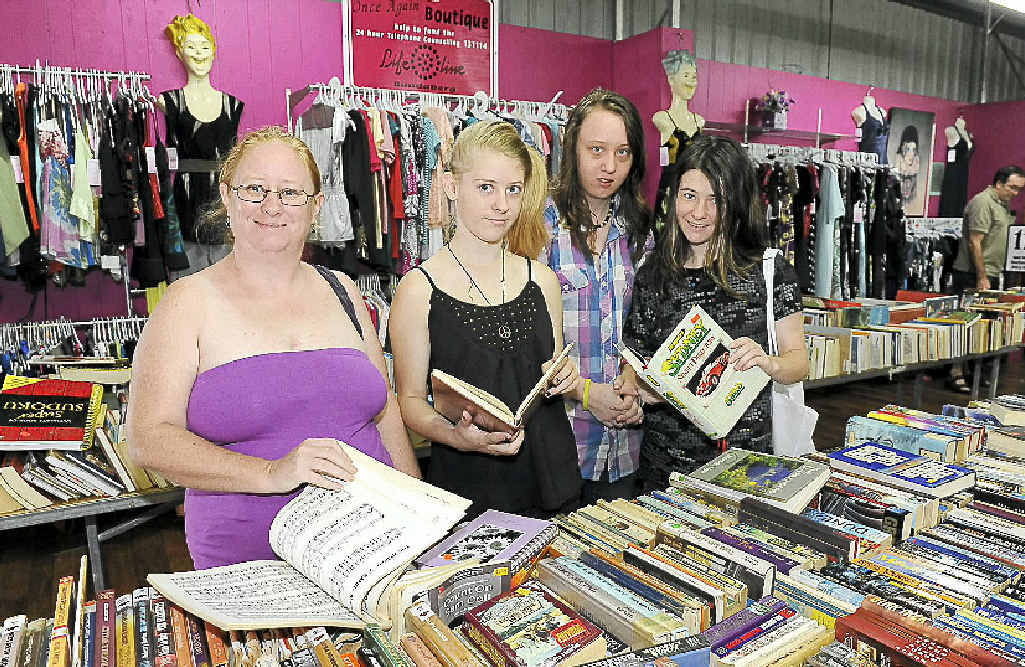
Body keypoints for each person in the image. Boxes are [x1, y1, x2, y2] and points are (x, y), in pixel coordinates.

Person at [126, 127, 420, 570]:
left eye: (289, 192)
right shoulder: (188, 303)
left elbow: (386, 414)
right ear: (227, 196)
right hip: (252, 564)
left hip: (371, 548)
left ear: (316, 206)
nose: (271, 206)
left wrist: (417, 509)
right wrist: (270, 473)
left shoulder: (342, 290)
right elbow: (149, 440)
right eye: (254, 189)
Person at [391, 120, 582, 519]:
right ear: (450, 186)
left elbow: (550, 371)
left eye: (513, 189)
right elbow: (408, 401)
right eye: (486, 188)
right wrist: (456, 438)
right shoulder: (418, 291)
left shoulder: (542, 281)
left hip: (553, 482)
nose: (502, 205)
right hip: (469, 492)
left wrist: (566, 377)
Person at [621, 135, 809, 491]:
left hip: (745, 467)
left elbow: (799, 362)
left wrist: (768, 362)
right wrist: (634, 384)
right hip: (664, 472)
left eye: (715, 200)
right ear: (674, 195)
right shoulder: (653, 272)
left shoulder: (768, 271)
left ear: (735, 203)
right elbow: (634, 355)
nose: (699, 213)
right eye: (689, 196)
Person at [543, 89, 648, 504]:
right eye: (597, 150)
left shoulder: (640, 231)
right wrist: (587, 393)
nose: (609, 167)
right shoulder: (541, 226)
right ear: (573, 148)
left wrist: (634, 382)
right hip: (561, 441)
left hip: (626, 447)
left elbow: (645, 327)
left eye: (623, 153)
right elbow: (529, 345)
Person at [159, 13, 245, 276]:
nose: (199, 54)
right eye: (191, 47)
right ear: (179, 52)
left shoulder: (233, 106)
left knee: (228, 289)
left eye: (205, 46)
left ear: (214, 51)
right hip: (185, 204)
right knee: (187, 288)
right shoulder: (169, 102)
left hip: (223, 203)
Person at [947, 165, 1025, 392]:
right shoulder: (983, 202)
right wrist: (981, 276)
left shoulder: (1003, 205)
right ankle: (956, 372)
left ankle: (973, 371)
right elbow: (975, 241)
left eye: (1020, 189)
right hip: (972, 274)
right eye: (1012, 187)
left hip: (992, 272)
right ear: (999, 184)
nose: (1016, 193)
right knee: (965, 322)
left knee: (983, 325)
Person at [894, 124, 920, 205]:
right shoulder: (899, 160)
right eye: (908, 149)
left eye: (913, 150)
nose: (910, 154)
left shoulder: (916, 160)